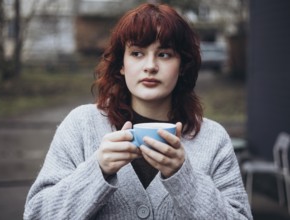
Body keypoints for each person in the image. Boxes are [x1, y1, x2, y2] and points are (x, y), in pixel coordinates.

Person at [24, 3, 252, 220]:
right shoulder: (81, 125)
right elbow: (36, 214)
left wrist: (185, 179)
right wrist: (97, 170)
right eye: (137, 53)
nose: (150, 66)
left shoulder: (213, 139)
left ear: (182, 66)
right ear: (122, 64)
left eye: (164, 54)